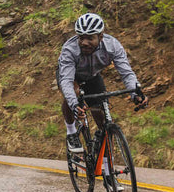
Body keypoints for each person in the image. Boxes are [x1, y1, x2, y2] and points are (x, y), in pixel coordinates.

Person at [56, 12, 146, 164]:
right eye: (81, 37)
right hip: (70, 77)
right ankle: (71, 132)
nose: (84, 42)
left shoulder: (112, 46)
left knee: (103, 123)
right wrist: (74, 104)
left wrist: (135, 93)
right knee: (74, 93)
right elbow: (66, 81)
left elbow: (126, 72)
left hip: (92, 77)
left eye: (90, 38)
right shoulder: (69, 49)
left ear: (101, 36)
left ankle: (106, 170)